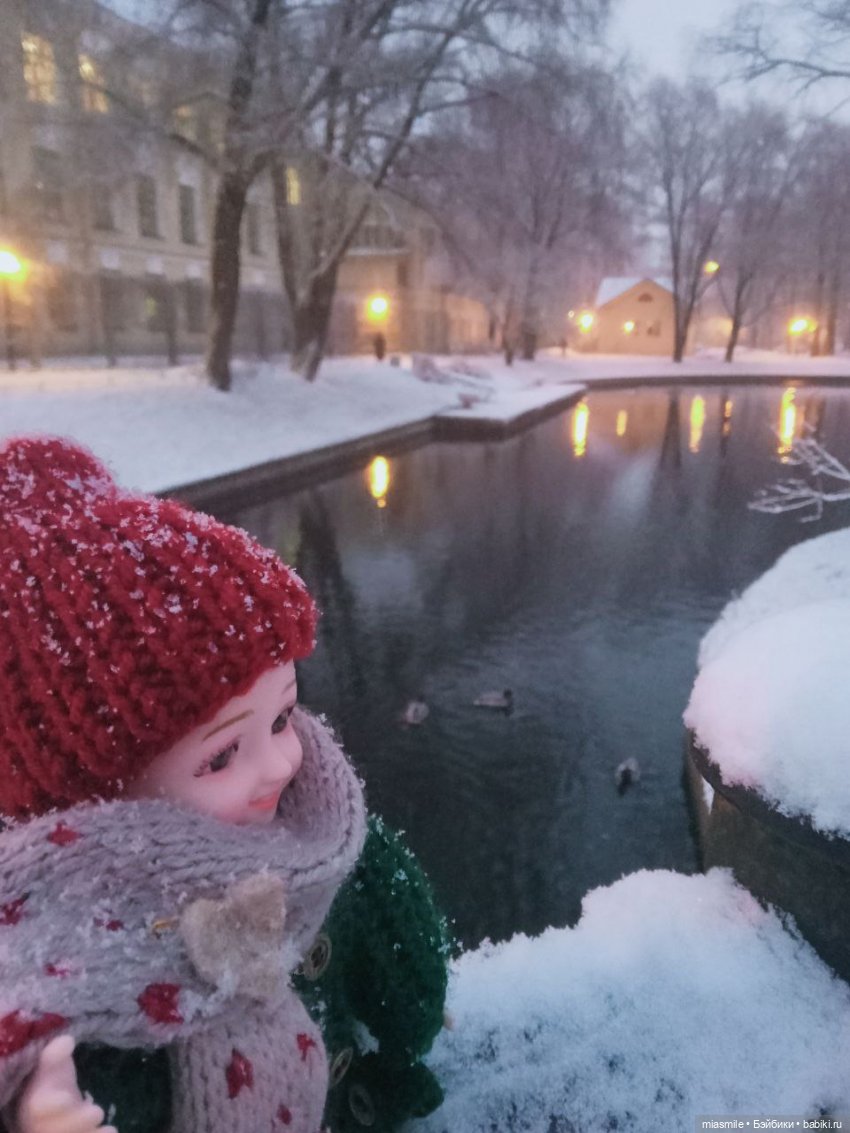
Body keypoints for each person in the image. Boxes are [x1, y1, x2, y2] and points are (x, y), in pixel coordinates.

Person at [0, 435, 368, 1133]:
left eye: (285, 714)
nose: (282, 763)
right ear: (95, 798)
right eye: (222, 755)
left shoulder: (322, 829)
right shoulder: (49, 963)